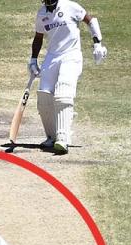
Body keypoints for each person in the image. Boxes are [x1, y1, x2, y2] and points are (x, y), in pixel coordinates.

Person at [30, 0, 106, 154]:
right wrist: (33, 60)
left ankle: (63, 137)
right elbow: (38, 37)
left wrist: (97, 43)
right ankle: (51, 136)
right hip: (52, 56)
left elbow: (90, 20)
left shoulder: (70, 6)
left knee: (63, 93)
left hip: (71, 55)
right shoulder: (42, 13)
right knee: (44, 96)